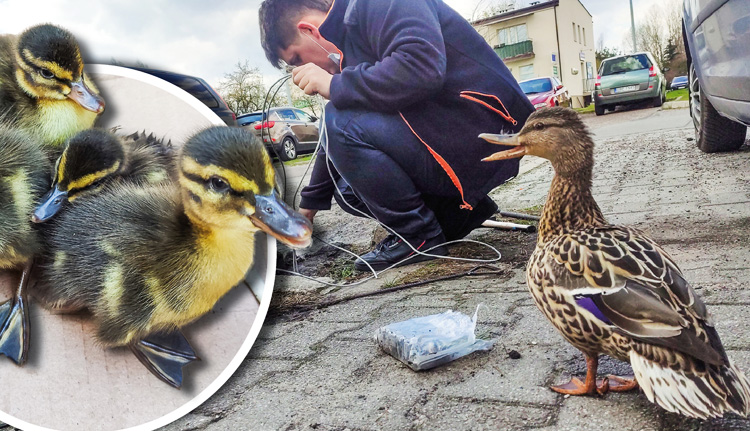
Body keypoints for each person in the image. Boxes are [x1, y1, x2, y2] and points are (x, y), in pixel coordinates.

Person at [259, 0, 534, 271]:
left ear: (308, 30)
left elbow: (421, 67)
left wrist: (336, 84)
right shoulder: (351, 44)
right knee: (346, 190)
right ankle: (458, 216)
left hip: (487, 130)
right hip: (455, 135)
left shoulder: (381, 4)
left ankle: (419, 238)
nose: (299, 69)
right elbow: (335, 136)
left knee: (339, 118)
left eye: (296, 59)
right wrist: (308, 208)